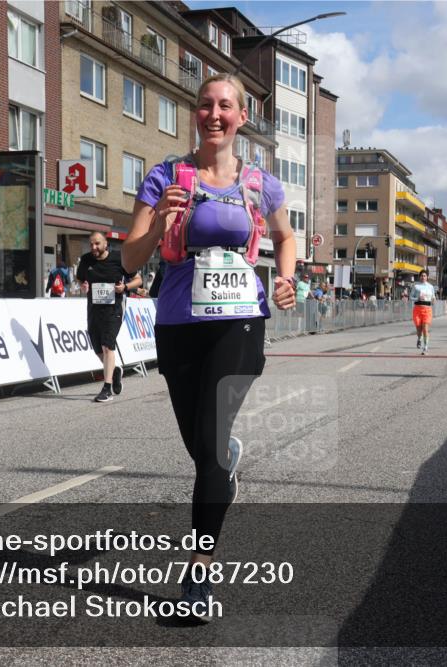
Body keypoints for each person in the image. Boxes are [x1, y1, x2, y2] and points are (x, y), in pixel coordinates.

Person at [122, 73, 296, 620]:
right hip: (178, 324)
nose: (214, 114)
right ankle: (223, 463)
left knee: (211, 443)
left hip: (239, 325)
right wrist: (160, 226)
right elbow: (129, 259)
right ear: (194, 113)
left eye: (225, 106)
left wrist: (287, 277)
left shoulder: (260, 184)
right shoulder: (163, 176)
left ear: (241, 118)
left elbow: (286, 236)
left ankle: (198, 580)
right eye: (205, 105)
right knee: (202, 449)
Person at [76, 232, 142, 402]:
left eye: (97, 244)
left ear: (106, 244)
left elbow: (138, 280)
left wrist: (125, 287)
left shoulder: (119, 259)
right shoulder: (86, 260)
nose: (93, 248)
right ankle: (115, 370)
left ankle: (107, 389)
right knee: (98, 349)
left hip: (114, 309)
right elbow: (80, 279)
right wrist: (83, 285)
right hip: (93, 309)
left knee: (107, 346)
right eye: (91, 244)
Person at [410, 269, 436, 354]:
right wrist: (417, 298)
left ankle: (425, 347)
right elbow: (411, 297)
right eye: (421, 276)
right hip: (417, 309)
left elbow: (433, 297)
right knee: (419, 329)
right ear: (419, 277)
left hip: (427, 309)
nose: (423, 277)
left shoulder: (431, 286)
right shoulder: (416, 286)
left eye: (424, 276)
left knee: (425, 328)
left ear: (427, 277)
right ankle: (419, 338)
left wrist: (433, 300)